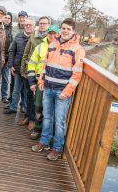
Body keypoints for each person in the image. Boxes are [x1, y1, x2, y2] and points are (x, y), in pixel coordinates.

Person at [31, 18, 85, 161]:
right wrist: (41, 80)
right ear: (60, 29)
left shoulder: (77, 49)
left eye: (68, 29)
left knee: (59, 122)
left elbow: (77, 74)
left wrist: (66, 92)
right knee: (47, 117)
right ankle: (44, 142)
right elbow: (45, 65)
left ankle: (57, 148)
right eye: (63, 28)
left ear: (73, 31)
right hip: (48, 88)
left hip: (62, 92)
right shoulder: (53, 44)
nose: (65, 31)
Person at [27, 25, 60, 140]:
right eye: (50, 33)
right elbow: (31, 64)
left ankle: (49, 132)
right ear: (47, 34)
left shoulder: (61, 48)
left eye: (55, 33)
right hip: (39, 81)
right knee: (38, 106)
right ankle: (37, 128)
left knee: (51, 109)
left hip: (53, 83)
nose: (52, 35)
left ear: (58, 34)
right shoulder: (40, 47)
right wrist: (32, 82)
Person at [20, 16, 51, 130]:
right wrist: (23, 69)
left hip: (43, 76)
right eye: (41, 23)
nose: (42, 25)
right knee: (28, 95)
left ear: (48, 24)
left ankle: (34, 120)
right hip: (31, 72)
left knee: (37, 101)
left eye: (45, 23)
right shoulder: (33, 35)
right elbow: (26, 53)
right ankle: (28, 116)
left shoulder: (51, 38)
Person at [4, 17, 35, 114]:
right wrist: (11, 65)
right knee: (16, 89)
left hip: (29, 69)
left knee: (26, 90)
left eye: (30, 25)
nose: (28, 27)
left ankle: (24, 107)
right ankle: (13, 107)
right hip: (17, 67)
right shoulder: (18, 36)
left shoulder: (35, 38)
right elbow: (11, 50)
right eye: (26, 25)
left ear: (33, 27)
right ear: (24, 26)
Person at [1, 12, 13, 103]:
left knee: (5, 78)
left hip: (7, 58)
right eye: (5, 17)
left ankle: (4, 96)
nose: (7, 19)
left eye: (9, 18)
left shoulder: (13, 30)